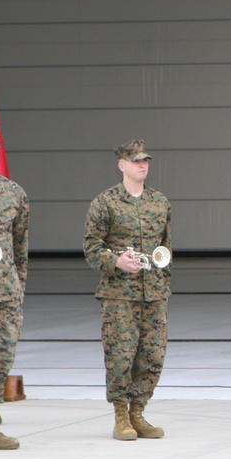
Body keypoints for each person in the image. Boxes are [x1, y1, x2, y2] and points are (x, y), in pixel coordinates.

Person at [84, 139, 171, 441]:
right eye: (135, 161)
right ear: (122, 165)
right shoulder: (105, 203)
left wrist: (164, 285)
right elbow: (91, 248)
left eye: (145, 160)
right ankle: (121, 415)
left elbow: (165, 250)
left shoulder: (160, 203)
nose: (142, 165)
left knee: (152, 355)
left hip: (153, 294)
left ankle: (138, 412)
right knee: (121, 355)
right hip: (119, 294)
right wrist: (116, 261)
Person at [0, 127, 29, 451]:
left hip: (4, 293)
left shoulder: (13, 194)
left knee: (2, 358)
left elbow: (21, 247)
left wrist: (19, 288)